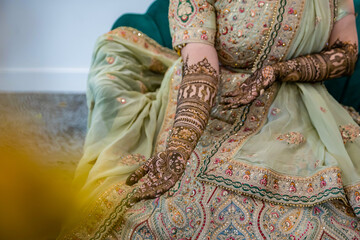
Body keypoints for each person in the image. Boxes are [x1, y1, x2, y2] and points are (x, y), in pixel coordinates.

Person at [58, 0, 360, 239]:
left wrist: (279, 71)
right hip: (205, 102)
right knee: (163, 213)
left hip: (297, 103)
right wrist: (178, 150)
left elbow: (346, 53)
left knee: (324, 222)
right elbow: (201, 67)